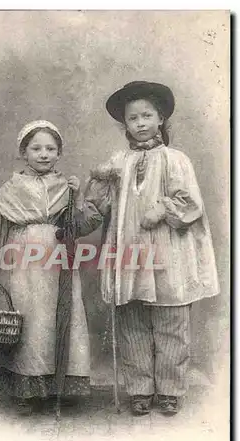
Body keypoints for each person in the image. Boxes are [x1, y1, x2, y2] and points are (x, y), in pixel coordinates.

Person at [76, 81, 219, 416]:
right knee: (133, 321)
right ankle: (139, 388)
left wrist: (164, 208)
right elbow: (99, 206)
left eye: (146, 115)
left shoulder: (175, 160)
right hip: (129, 252)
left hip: (169, 251)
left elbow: (191, 203)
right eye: (132, 118)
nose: (139, 123)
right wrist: (98, 181)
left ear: (161, 118)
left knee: (171, 320)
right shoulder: (118, 162)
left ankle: (170, 389)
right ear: (124, 124)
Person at [0, 120, 90, 412]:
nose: (43, 154)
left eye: (50, 149)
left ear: (59, 153)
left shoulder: (64, 186)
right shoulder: (12, 188)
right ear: (23, 152)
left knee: (59, 316)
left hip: (57, 259)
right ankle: (24, 390)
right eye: (36, 148)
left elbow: (76, 224)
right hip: (21, 260)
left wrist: (76, 196)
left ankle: (59, 384)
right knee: (29, 319)